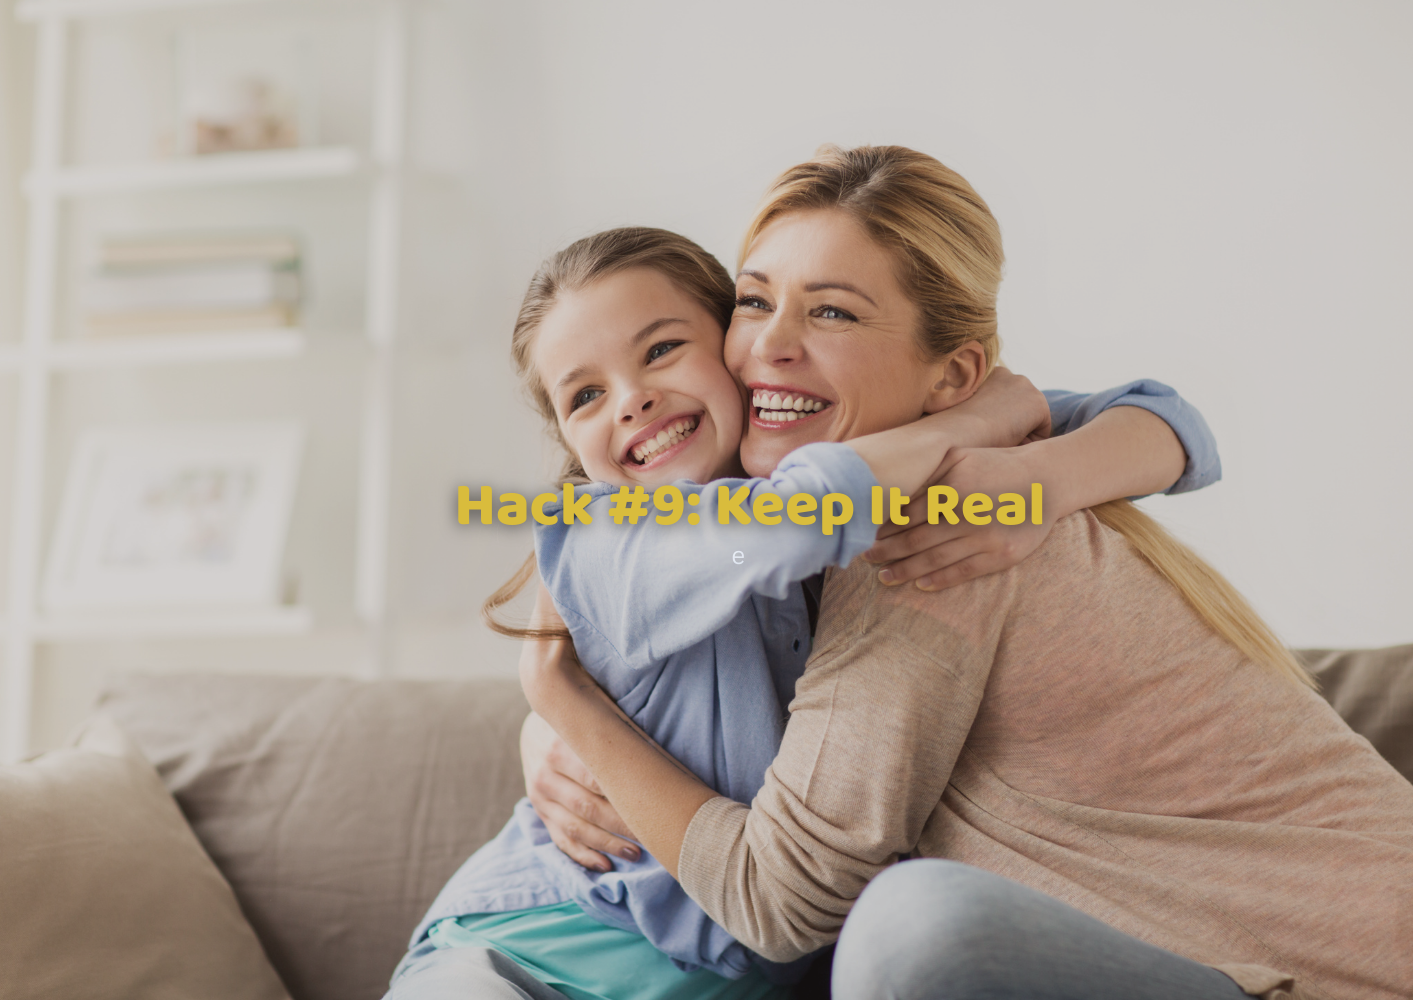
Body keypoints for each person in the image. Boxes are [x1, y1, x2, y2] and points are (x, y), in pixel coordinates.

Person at [519, 145, 1413, 1000]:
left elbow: (776, 902)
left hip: (1365, 972)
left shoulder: (942, 533)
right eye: (755, 300)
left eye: (833, 313)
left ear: (951, 376)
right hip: (1243, 957)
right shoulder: (910, 476)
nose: (771, 344)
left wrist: (566, 702)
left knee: (915, 927)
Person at [387, 217, 1222, 1000]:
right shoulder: (607, 538)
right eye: (585, 398)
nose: (632, 400)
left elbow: (1168, 421)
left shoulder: (815, 468)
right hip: (531, 955)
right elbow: (791, 526)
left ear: (736, 353)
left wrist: (1042, 474)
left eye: (664, 349)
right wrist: (978, 419)